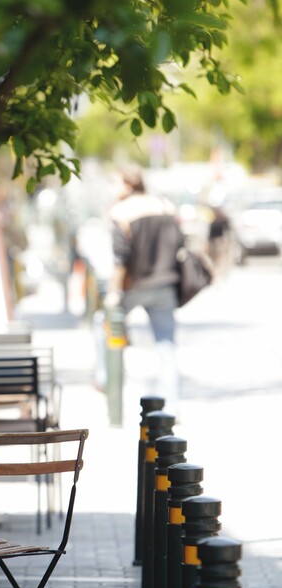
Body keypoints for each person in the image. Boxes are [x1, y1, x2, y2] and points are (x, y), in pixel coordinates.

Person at [106, 166, 184, 410]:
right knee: (166, 346)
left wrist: (112, 292)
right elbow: (181, 242)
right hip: (165, 284)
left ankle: (105, 380)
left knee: (106, 325)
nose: (112, 188)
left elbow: (121, 259)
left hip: (135, 285)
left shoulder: (120, 212)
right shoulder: (165, 206)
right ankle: (172, 406)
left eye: (115, 183)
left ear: (128, 186)